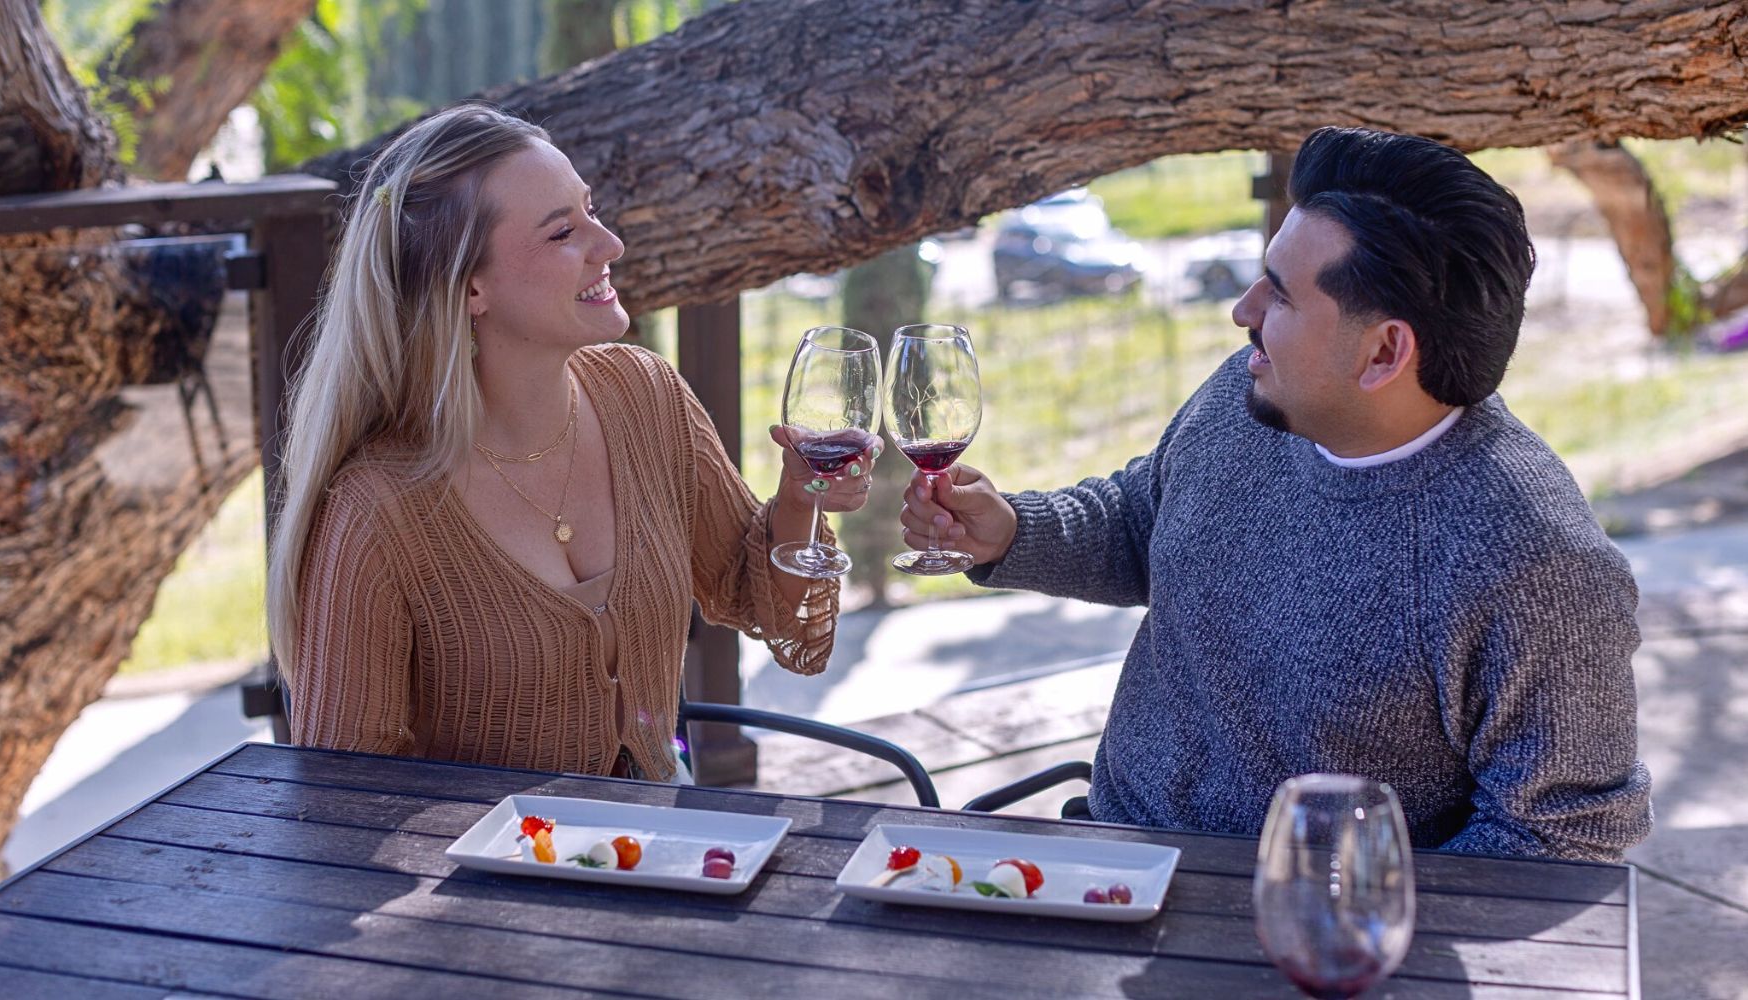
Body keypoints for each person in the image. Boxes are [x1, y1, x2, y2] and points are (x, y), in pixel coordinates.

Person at [906, 127, 1652, 861]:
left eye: (1281, 297)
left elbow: (1560, 838)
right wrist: (1009, 532)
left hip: (1315, 948)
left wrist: (1333, 918)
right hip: (1110, 855)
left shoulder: (1538, 567)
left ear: (1382, 352)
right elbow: (1147, 520)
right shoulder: (1253, 388)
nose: (1243, 311)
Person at [266, 103, 876, 781]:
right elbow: (339, 800)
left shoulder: (647, 398)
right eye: (563, 233)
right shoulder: (379, 512)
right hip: (473, 878)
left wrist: (799, 500)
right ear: (470, 287)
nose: (608, 244)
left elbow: (766, 606)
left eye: (591, 210)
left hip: (660, 849)